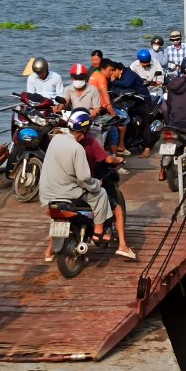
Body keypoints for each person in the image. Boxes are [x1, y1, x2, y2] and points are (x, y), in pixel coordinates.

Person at [39, 111, 123, 260]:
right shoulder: (77, 148)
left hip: (47, 192)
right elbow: (84, 178)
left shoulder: (56, 139)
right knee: (101, 193)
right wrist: (96, 184)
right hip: (67, 192)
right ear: (84, 130)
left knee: (58, 218)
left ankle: (49, 251)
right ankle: (98, 232)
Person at [69, 109, 134, 259]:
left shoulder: (61, 141)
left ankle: (49, 250)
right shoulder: (89, 141)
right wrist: (119, 159)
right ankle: (122, 245)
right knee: (117, 209)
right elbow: (108, 160)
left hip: (63, 188)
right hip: (85, 187)